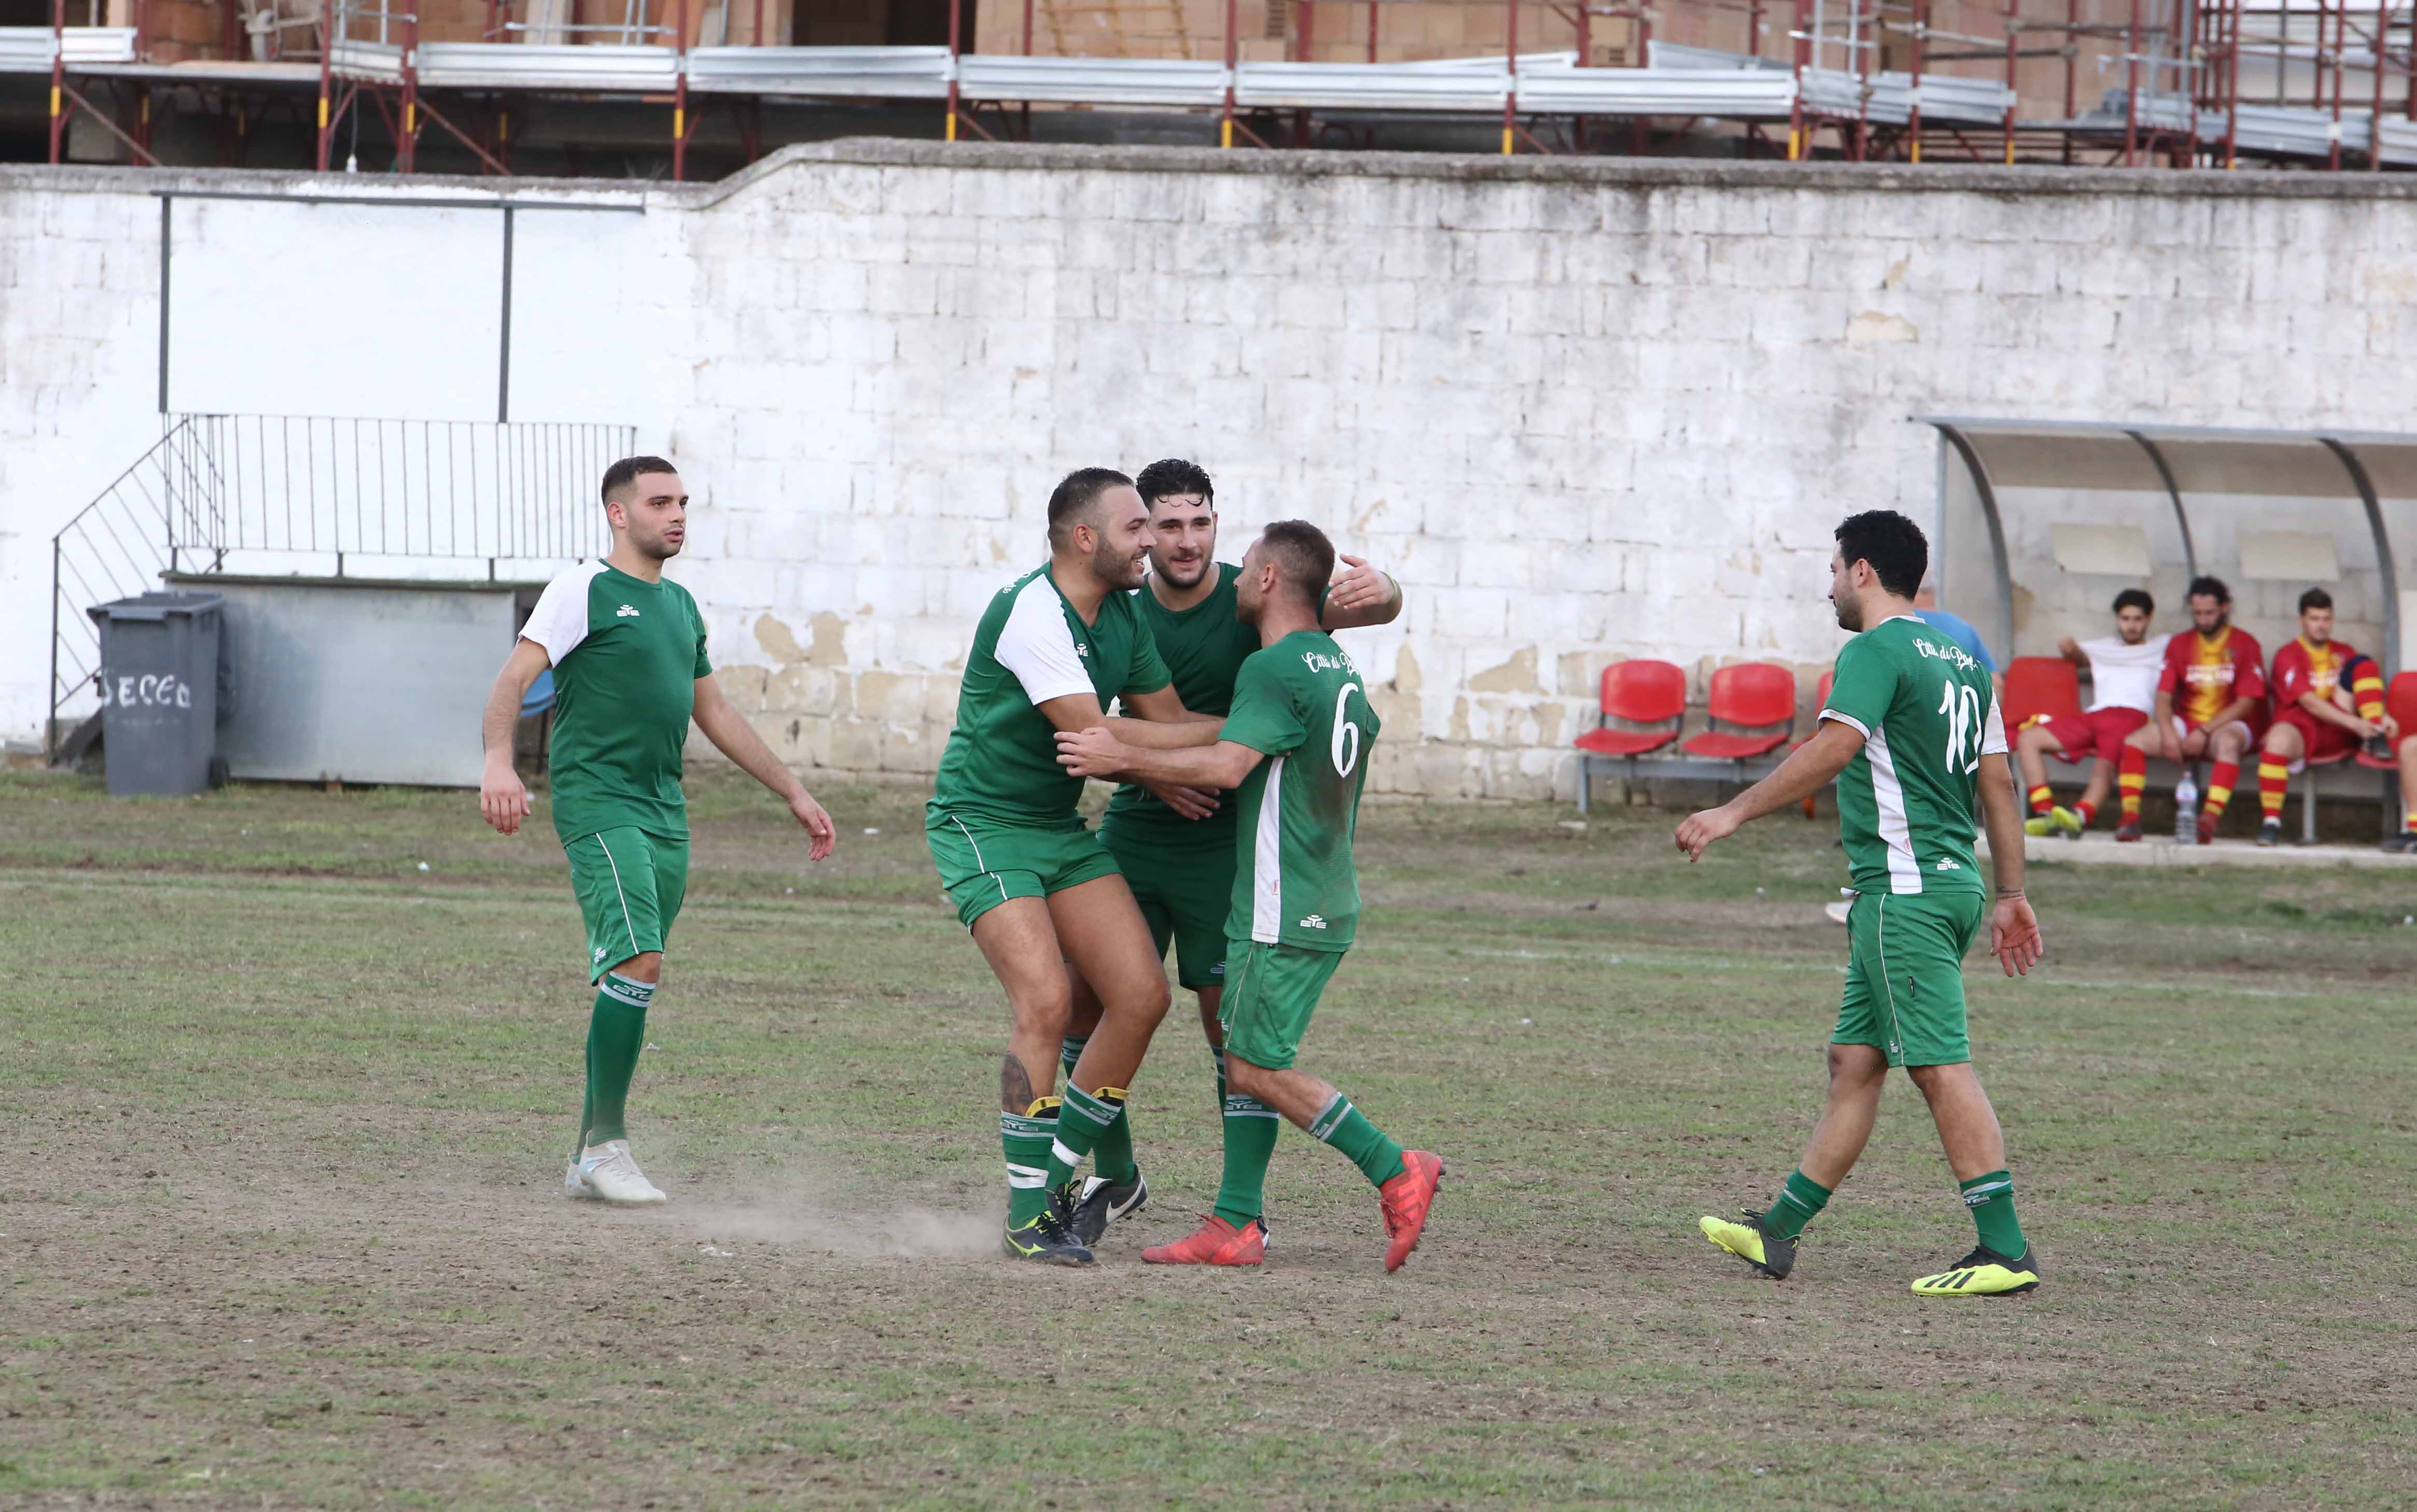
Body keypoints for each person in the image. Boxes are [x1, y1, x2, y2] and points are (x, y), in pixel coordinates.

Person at [1056, 521, 1445, 1272]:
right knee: (1245, 1055)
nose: (1232, 578)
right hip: (1323, 893)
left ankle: (1395, 1166)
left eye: (1245, 570)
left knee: (1252, 1068)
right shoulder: (1332, 661)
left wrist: (1118, 753)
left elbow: (1229, 768)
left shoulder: (1271, 668)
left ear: (1268, 580)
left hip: (1281, 899)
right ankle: (1234, 1223)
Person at [1677, 510, 2047, 1297]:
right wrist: (2010, 892)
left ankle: (2004, 1250)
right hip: (1948, 885)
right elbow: (1997, 786)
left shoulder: (1873, 650)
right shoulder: (1964, 661)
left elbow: (1834, 747)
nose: (1828, 586)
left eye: (1833, 569)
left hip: (1903, 894)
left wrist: (1730, 812)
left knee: (1938, 1067)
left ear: (1863, 572)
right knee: (1854, 1062)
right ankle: (1775, 1230)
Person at [478, 456, 839, 1206]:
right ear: (618, 514)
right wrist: (497, 764)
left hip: (663, 811)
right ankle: (608, 1145)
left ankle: (586, 1155)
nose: (676, 516)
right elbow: (513, 681)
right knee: (639, 959)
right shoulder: (583, 588)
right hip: (598, 801)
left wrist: (793, 791)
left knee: (629, 973)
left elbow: (715, 714)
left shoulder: (679, 607)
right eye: (658, 503)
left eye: (682, 503)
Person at [925, 467, 1219, 1267]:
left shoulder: (1123, 614)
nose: (1154, 541)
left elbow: (1163, 722)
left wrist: (1254, 730)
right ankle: (1028, 1218)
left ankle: (1071, 1183)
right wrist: (1200, 758)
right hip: (980, 824)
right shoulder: (1031, 614)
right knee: (1047, 1000)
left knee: (1140, 996)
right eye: (1136, 528)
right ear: (1084, 538)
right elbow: (1102, 743)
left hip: (1056, 829)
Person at [2121, 575, 2264, 844]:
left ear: (2225, 608)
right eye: (2198, 613)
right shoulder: (2180, 644)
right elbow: (2163, 696)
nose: (2204, 619)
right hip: (2187, 722)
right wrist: (2168, 733)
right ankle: (2130, 820)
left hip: (2228, 724)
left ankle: (2208, 820)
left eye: (2210, 613)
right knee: (2133, 742)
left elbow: (2247, 702)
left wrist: (2205, 731)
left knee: (2229, 744)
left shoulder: (2245, 643)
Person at [2018, 589, 2167, 838]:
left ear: (2149, 619)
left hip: (2132, 717)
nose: (2131, 626)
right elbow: (2075, 655)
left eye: (2137, 619)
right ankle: (2046, 814)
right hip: (2095, 714)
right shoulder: (2104, 647)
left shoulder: (2162, 646)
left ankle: (2080, 815)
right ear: (2117, 619)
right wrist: (2067, 648)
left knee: (2104, 764)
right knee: (2028, 739)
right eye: (2125, 619)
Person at [2253, 588, 2390, 846]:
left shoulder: (2343, 652)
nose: (2321, 626)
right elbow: (2309, 702)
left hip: (2340, 727)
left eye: (2327, 619)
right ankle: (2271, 823)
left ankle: (2377, 731)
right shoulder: (2288, 655)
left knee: (2363, 663)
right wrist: (2354, 723)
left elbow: (2364, 692)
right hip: (2303, 727)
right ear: (2301, 621)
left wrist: (2379, 717)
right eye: (2315, 619)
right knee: (2276, 742)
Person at [1913, 583, 2003, 702]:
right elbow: (1996, 684)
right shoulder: (1965, 629)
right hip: (1965, 714)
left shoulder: (1898, 628)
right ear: (1934, 593)